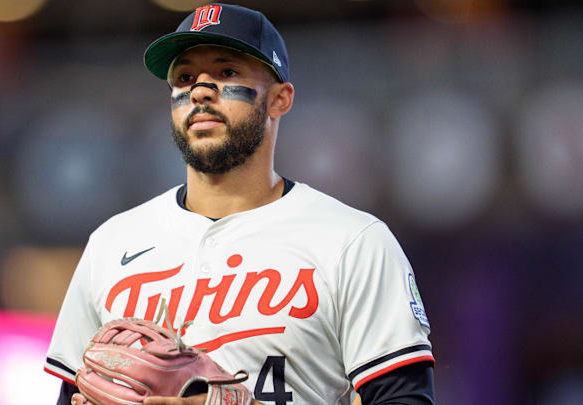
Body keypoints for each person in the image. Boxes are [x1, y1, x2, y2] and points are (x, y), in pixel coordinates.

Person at [44, 3, 435, 405]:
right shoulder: (112, 243)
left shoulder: (353, 241)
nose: (199, 89)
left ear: (280, 99)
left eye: (226, 71)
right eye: (184, 77)